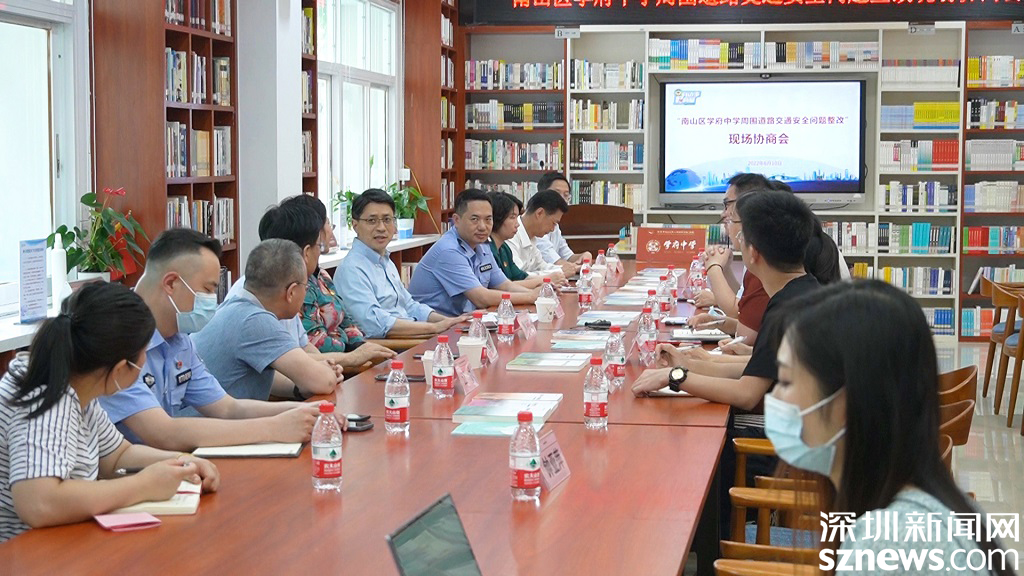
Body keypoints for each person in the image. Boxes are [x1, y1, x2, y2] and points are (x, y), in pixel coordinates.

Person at [768, 280, 1013, 576]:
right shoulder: (945, 508)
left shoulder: (887, 543)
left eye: (785, 382)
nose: (774, 398)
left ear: (845, 404)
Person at [0, 282, 220, 542]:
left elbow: (117, 456)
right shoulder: (46, 397)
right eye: (144, 354)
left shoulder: (80, 385)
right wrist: (143, 485)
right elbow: (38, 503)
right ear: (120, 369)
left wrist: (181, 461)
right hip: (25, 550)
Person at [99, 228, 340, 452]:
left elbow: (228, 407)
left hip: (170, 464)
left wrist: (308, 412)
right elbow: (163, 432)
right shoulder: (115, 336)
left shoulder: (179, 341)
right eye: (207, 289)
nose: (212, 300)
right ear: (171, 283)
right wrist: (274, 428)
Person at [232, 195, 394, 370]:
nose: (325, 240)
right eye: (318, 244)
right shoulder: (268, 293)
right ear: (306, 251)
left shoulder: (300, 280)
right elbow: (292, 362)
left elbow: (305, 347)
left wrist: (355, 352)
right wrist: (351, 358)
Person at [191, 239, 343, 401]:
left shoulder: (237, 307)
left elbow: (260, 379)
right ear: (291, 292)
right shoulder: (255, 321)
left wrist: (301, 388)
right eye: (305, 287)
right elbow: (324, 382)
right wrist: (325, 372)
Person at [335, 189, 468, 339]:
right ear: (355, 225)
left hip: (413, 336)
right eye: (372, 221)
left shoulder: (385, 261)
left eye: (387, 219)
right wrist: (433, 328)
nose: (381, 228)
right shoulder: (352, 270)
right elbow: (374, 325)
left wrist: (450, 322)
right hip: (393, 345)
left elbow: (410, 306)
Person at [409, 188, 539, 317]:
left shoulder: (483, 245)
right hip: (434, 323)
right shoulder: (449, 250)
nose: (482, 227)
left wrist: (536, 295)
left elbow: (504, 285)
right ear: (456, 220)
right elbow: (481, 298)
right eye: (475, 219)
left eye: (488, 219)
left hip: (462, 319)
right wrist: (530, 297)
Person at [487, 191, 557, 289]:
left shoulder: (504, 248)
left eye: (517, 217)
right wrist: (546, 280)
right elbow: (503, 286)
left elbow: (521, 276)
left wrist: (547, 282)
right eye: (512, 217)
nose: (517, 224)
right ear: (497, 217)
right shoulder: (488, 249)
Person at [533, 172, 591, 275]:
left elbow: (568, 256)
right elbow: (556, 262)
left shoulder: (555, 226)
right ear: (542, 194)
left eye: (566, 195)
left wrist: (584, 256)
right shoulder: (536, 225)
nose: (561, 200)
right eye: (556, 194)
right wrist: (576, 267)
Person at [505, 190, 572, 277]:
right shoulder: (510, 234)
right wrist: (557, 273)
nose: (553, 229)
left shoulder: (532, 236)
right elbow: (518, 276)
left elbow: (542, 266)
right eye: (553, 223)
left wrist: (564, 269)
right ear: (539, 213)